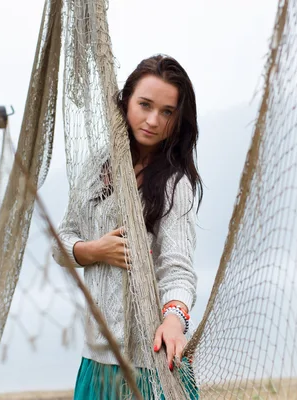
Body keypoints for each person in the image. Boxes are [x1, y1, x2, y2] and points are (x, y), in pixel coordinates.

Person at [52, 54, 203, 399]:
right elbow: (62, 239)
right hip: (98, 357)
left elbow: (178, 270)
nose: (153, 120)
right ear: (125, 103)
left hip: (151, 362)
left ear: (178, 121)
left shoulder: (173, 184)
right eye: (145, 105)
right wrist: (93, 250)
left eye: (167, 112)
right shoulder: (95, 167)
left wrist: (174, 321)